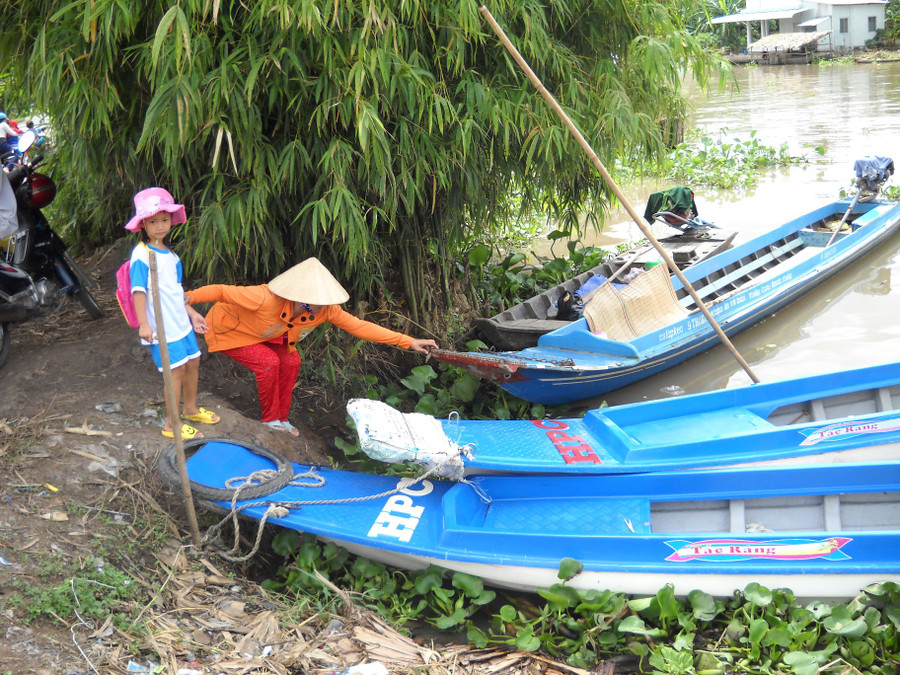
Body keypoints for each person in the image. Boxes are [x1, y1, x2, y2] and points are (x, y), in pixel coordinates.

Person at [185, 257, 439, 436]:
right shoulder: (263, 297)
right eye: (317, 300)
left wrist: (409, 341)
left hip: (269, 335)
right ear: (299, 295)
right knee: (268, 363)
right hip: (230, 332)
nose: (323, 305)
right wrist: (188, 299)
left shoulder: (327, 310)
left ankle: (281, 419)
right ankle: (270, 419)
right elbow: (220, 291)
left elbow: (360, 327)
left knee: (292, 361)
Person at [125, 187, 220, 439]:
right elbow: (138, 292)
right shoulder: (142, 254)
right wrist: (144, 325)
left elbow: (177, 290)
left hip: (180, 323)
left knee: (193, 362)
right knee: (174, 371)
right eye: (153, 221)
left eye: (164, 220)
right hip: (161, 327)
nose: (160, 226)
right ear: (143, 224)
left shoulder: (172, 256)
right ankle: (171, 424)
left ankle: (189, 408)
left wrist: (192, 313)